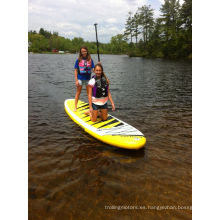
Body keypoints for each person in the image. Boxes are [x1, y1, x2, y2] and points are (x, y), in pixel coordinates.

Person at [73, 46, 95, 111]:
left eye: (85, 51)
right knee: (78, 93)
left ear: (87, 51)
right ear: (80, 52)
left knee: (89, 94)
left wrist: (98, 66)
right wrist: (76, 80)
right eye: (82, 51)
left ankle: (90, 107)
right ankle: (75, 107)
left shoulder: (90, 60)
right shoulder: (78, 60)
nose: (84, 52)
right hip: (80, 79)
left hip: (88, 79)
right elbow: (76, 70)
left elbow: (93, 69)